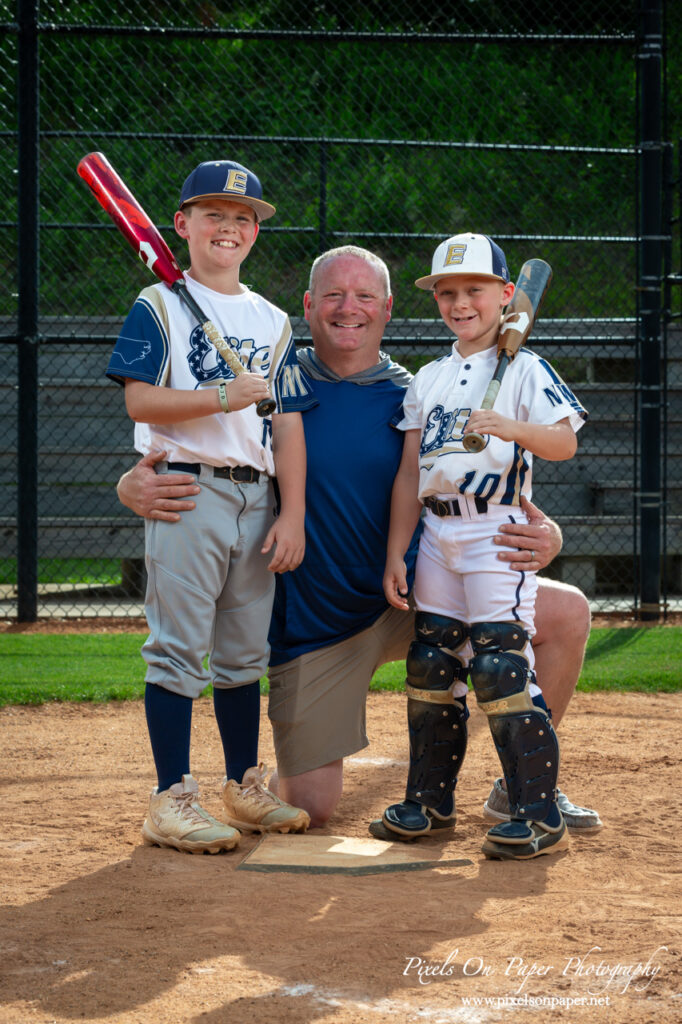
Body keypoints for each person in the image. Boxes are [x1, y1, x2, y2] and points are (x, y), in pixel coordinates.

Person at [117, 244, 601, 837]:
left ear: (389, 308)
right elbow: (206, 452)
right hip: (315, 628)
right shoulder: (273, 381)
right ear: (308, 306)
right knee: (312, 806)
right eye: (334, 296)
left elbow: (468, 469)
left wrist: (546, 528)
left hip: (415, 591)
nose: (350, 309)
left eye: (365, 296)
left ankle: (523, 787)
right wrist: (131, 483)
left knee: (568, 612)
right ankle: (221, 787)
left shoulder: (417, 389)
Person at [106, 158, 315, 854]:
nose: (229, 227)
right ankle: (171, 798)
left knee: (241, 654)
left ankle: (242, 786)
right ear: (183, 226)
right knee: (178, 652)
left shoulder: (273, 319)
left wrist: (292, 512)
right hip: (187, 489)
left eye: (243, 217)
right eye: (214, 214)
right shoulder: (158, 303)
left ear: (255, 232)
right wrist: (224, 395)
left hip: (257, 497)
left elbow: (287, 423)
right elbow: (141, 399)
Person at [378, 232, 587, 859]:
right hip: (438, 531)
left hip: (495, 527)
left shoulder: (525, 367)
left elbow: (563, 443)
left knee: (499, 667)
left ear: (505, 295)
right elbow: (410, 475)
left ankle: (536, 811)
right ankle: (430, 801)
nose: (460, 302)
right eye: (447, 292)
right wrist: (398, 549)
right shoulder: (431, 377)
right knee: (432, 664)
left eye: (474, 290)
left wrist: (509, 425)